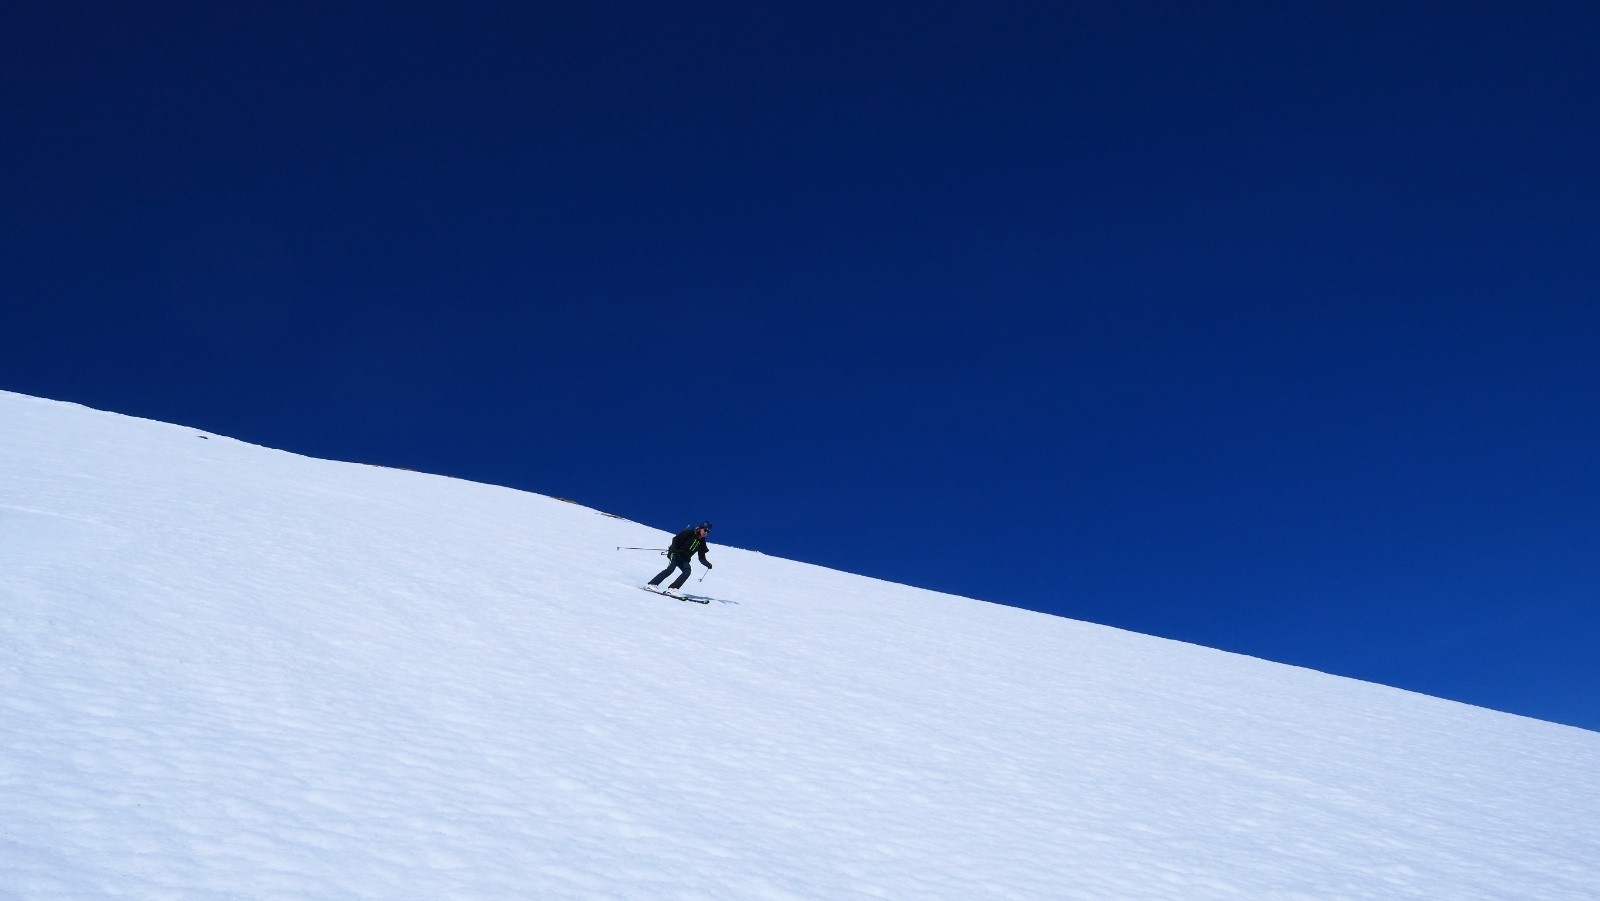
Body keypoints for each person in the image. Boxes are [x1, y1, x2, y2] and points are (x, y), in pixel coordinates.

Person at [647, 522, 713, 593]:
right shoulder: (690, 533)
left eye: (708, 531)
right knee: (670, 569)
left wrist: (707, 564)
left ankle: (672, 589)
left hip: (685, 559)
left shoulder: (702, 543)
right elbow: (676, 539)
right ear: (700, 529)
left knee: (687, 571)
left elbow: (701, 557)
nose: (706, 532)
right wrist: (674, 548)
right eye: (705, 530)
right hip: (676, 554)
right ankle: (652, 584)